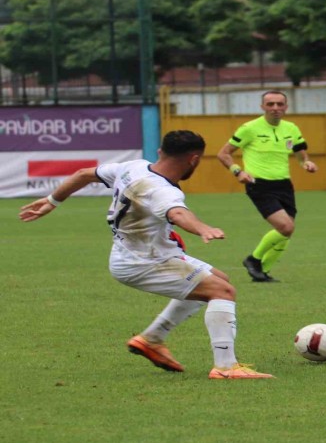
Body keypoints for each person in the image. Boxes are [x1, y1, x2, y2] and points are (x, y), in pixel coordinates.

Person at [19, 130, 274, 379]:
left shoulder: (133, 166)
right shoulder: (164, 191)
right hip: (145, 262)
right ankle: (226, 367)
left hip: (140, 254)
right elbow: (177, 213)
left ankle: (152, 339)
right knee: (223, 291)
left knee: (219, 280)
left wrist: (52, 201)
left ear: (160, 152)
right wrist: (202, 228)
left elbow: (83, 174)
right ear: (194, 159)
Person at [217, 90, 318, 282]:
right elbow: (223, 153)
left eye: (280, 104)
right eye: (270, 104)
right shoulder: (249, 128)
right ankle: (253, 260)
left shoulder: (291, 128)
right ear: (262, 106)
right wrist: (238, 171)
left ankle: (262, 271)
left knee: (287, 232)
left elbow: (300, 153)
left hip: (284, 184)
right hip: (259, 184)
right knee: (286, 227)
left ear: (286, 107)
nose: (275, 108)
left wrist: (306, 163)